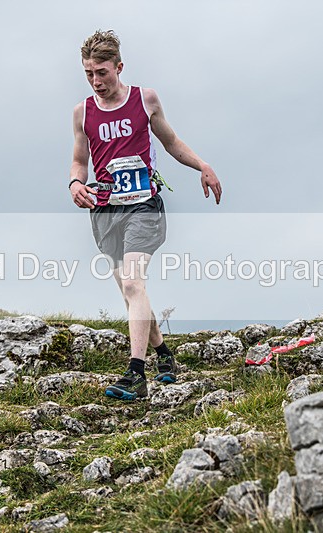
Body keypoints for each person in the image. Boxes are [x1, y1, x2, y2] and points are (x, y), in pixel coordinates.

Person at [68, 30, 222, 400]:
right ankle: (163, 354)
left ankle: (136, 374)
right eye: (89, 74)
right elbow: (79, 159)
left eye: (102, 72)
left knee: (133, 284)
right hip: (106, 210)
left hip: (143, 205)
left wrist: (202, 165)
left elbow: (170, 142)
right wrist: (75, 184)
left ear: (119, 68)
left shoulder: (145, 99)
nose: (96, 81)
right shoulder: (82, 113)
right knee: (130, 292)